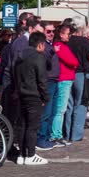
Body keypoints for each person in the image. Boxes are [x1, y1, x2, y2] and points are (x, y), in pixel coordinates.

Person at [13, 32, 50, 165]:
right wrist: (46, 96)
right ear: (40, 44)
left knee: (22, 125)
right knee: (32, 127)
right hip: (34, 95)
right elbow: (42, 80)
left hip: (21, 94)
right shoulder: (38, 58)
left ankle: (21, 154)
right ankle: (30, 155)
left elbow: (14, 76)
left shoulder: (19, 57)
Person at [65, 16, 89, 142]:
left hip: (68, 73)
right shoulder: (84, 41)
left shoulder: (68, 40)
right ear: (82, 27)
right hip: (82, 73)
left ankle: (66, 133)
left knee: (69, 104)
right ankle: (76, 134)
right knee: (81, 103)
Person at [50, 24, 78, 147]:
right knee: (60, 109)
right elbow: (73, 61)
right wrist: (74, 63)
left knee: (61, 109)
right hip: (64, 79)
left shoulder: (62, 46)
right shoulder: (59, 46)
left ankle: (57, 134)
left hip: (66, 79)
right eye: (67, 33)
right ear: (61, 34)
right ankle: (56, 135)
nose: (69, 36)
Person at [36, 22, 59, 150]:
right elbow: (43, 60)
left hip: (54, 80)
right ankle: (41, 139)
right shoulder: (42, 46)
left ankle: (46, 137)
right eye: (48, 31)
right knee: (46, 112)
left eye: (53, 31)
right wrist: (52, 52)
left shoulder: (50, 45)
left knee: (51, 112)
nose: (51, 34)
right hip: (48, 81)